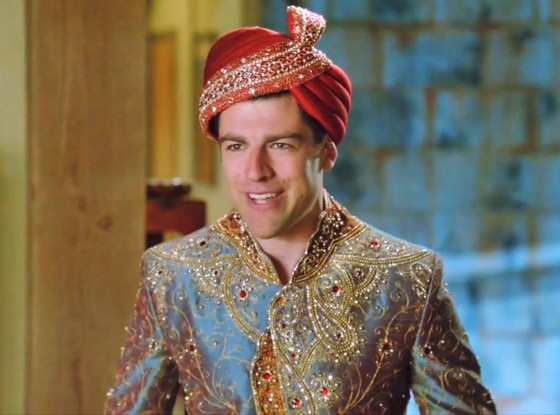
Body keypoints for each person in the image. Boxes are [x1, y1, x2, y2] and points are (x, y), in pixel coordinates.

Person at [105, 6, 496, 414]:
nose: (255, 171)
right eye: (236, 146)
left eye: (280, 145)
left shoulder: (407, 278)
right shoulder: (172, 274)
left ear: (325, 152)